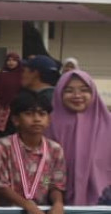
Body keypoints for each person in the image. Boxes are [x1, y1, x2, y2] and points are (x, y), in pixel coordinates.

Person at [0, 90, 65, 214]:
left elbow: (55, 184)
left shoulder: (55, 149)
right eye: (29, 114)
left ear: (49, 120)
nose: (37, 119)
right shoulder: (2, 146)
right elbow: (1, 185)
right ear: (15, 120)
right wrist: (28, 205)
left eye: (42, 114)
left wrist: (58, 203)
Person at [46, 69, 111, 206]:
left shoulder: (108, 123)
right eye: (69, 90)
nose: (77, 95)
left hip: (104, 205)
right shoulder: (46, 124)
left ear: (93, 93)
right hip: (55, 204)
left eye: (84, 90)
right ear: (59, 94)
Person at [0, 52, 23, 139]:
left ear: (18, 62)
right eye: (9, 60)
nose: (11, 62)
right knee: (0, 133)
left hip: (16, 109)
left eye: (14, 60)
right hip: (1, 109)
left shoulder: (22, 75)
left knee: (14, 133)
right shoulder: (1, 74)